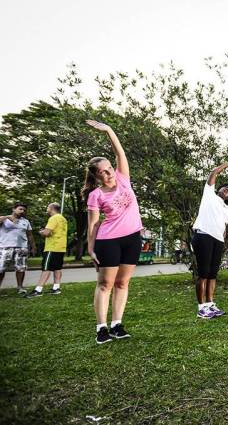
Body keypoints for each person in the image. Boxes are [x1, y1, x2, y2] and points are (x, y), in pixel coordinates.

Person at [83, 120, 143, 345]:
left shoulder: (123, 178)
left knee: (123, 284)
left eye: (109, 169)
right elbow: (94, 225)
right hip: (108, 241)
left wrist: (109, 130)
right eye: (103, 173)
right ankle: (102, 329)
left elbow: (120, 152)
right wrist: (90, 248)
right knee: (105, 284)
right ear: (96, 177)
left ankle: (117, 324)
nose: (108, 174)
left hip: (132, 239)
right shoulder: (95, 195)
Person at [192, 161, 228, 319]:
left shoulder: (227, 209)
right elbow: (213, 173)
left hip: (217, 240)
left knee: (212, 275)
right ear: (218, 189)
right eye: (226, 187)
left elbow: (224, 227)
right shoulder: (209, 193)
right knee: (203, 274)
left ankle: (210, 304)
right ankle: (201, 307)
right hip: (203, 235)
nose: (227, 190)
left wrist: (222, 238)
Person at [26, 203, 68, 298]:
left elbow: (46, 233)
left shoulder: (53, 218)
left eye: (48, 207)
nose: (47, 208)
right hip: (61, 248)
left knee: (46, 268)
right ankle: (56, 288)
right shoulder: (63, 218)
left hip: (52, 247)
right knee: (57, 268)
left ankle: (38, 290)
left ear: (52, 208)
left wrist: (41, 231)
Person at [0, 203, 37, 294]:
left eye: (24, 210)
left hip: (22, 248)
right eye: (20, 209)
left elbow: (29, 235)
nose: (22, 211)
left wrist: (33, 247)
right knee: (1, 268)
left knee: (21, 268)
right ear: (14, 209)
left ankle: (20, 287)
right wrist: (8, 217)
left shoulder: (26, 221)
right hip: (5, 247)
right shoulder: (4, 219)